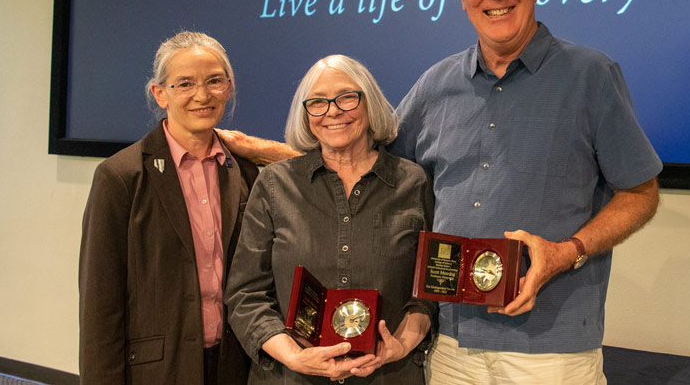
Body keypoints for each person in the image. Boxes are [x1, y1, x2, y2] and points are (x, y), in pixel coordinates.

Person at [389, 0, 662, 384]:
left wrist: (565, 253)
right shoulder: (435, 85)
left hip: (551, 351)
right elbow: (374, 169)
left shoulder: (591, 76)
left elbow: (641, 193)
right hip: (452, 344)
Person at [78, 31, 296, 385]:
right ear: (160, 94)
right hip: (158, 370)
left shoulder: (244, 171)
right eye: (185, 84)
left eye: (214, 81)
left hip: (234, 364)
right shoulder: (120, 177)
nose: (202, 95)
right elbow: (99, 302)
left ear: (229, 87)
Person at [224, 55, 436, 384]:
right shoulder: (275, 185)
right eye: (318, 102)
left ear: (370, 104)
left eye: (347, 97)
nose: (333, 111)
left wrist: (401, 345)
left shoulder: (414, 183)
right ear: (305, 114)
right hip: (291, 377)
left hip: (388, 376)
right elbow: (245, 294)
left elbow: (430, 293)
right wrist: (294, 355)